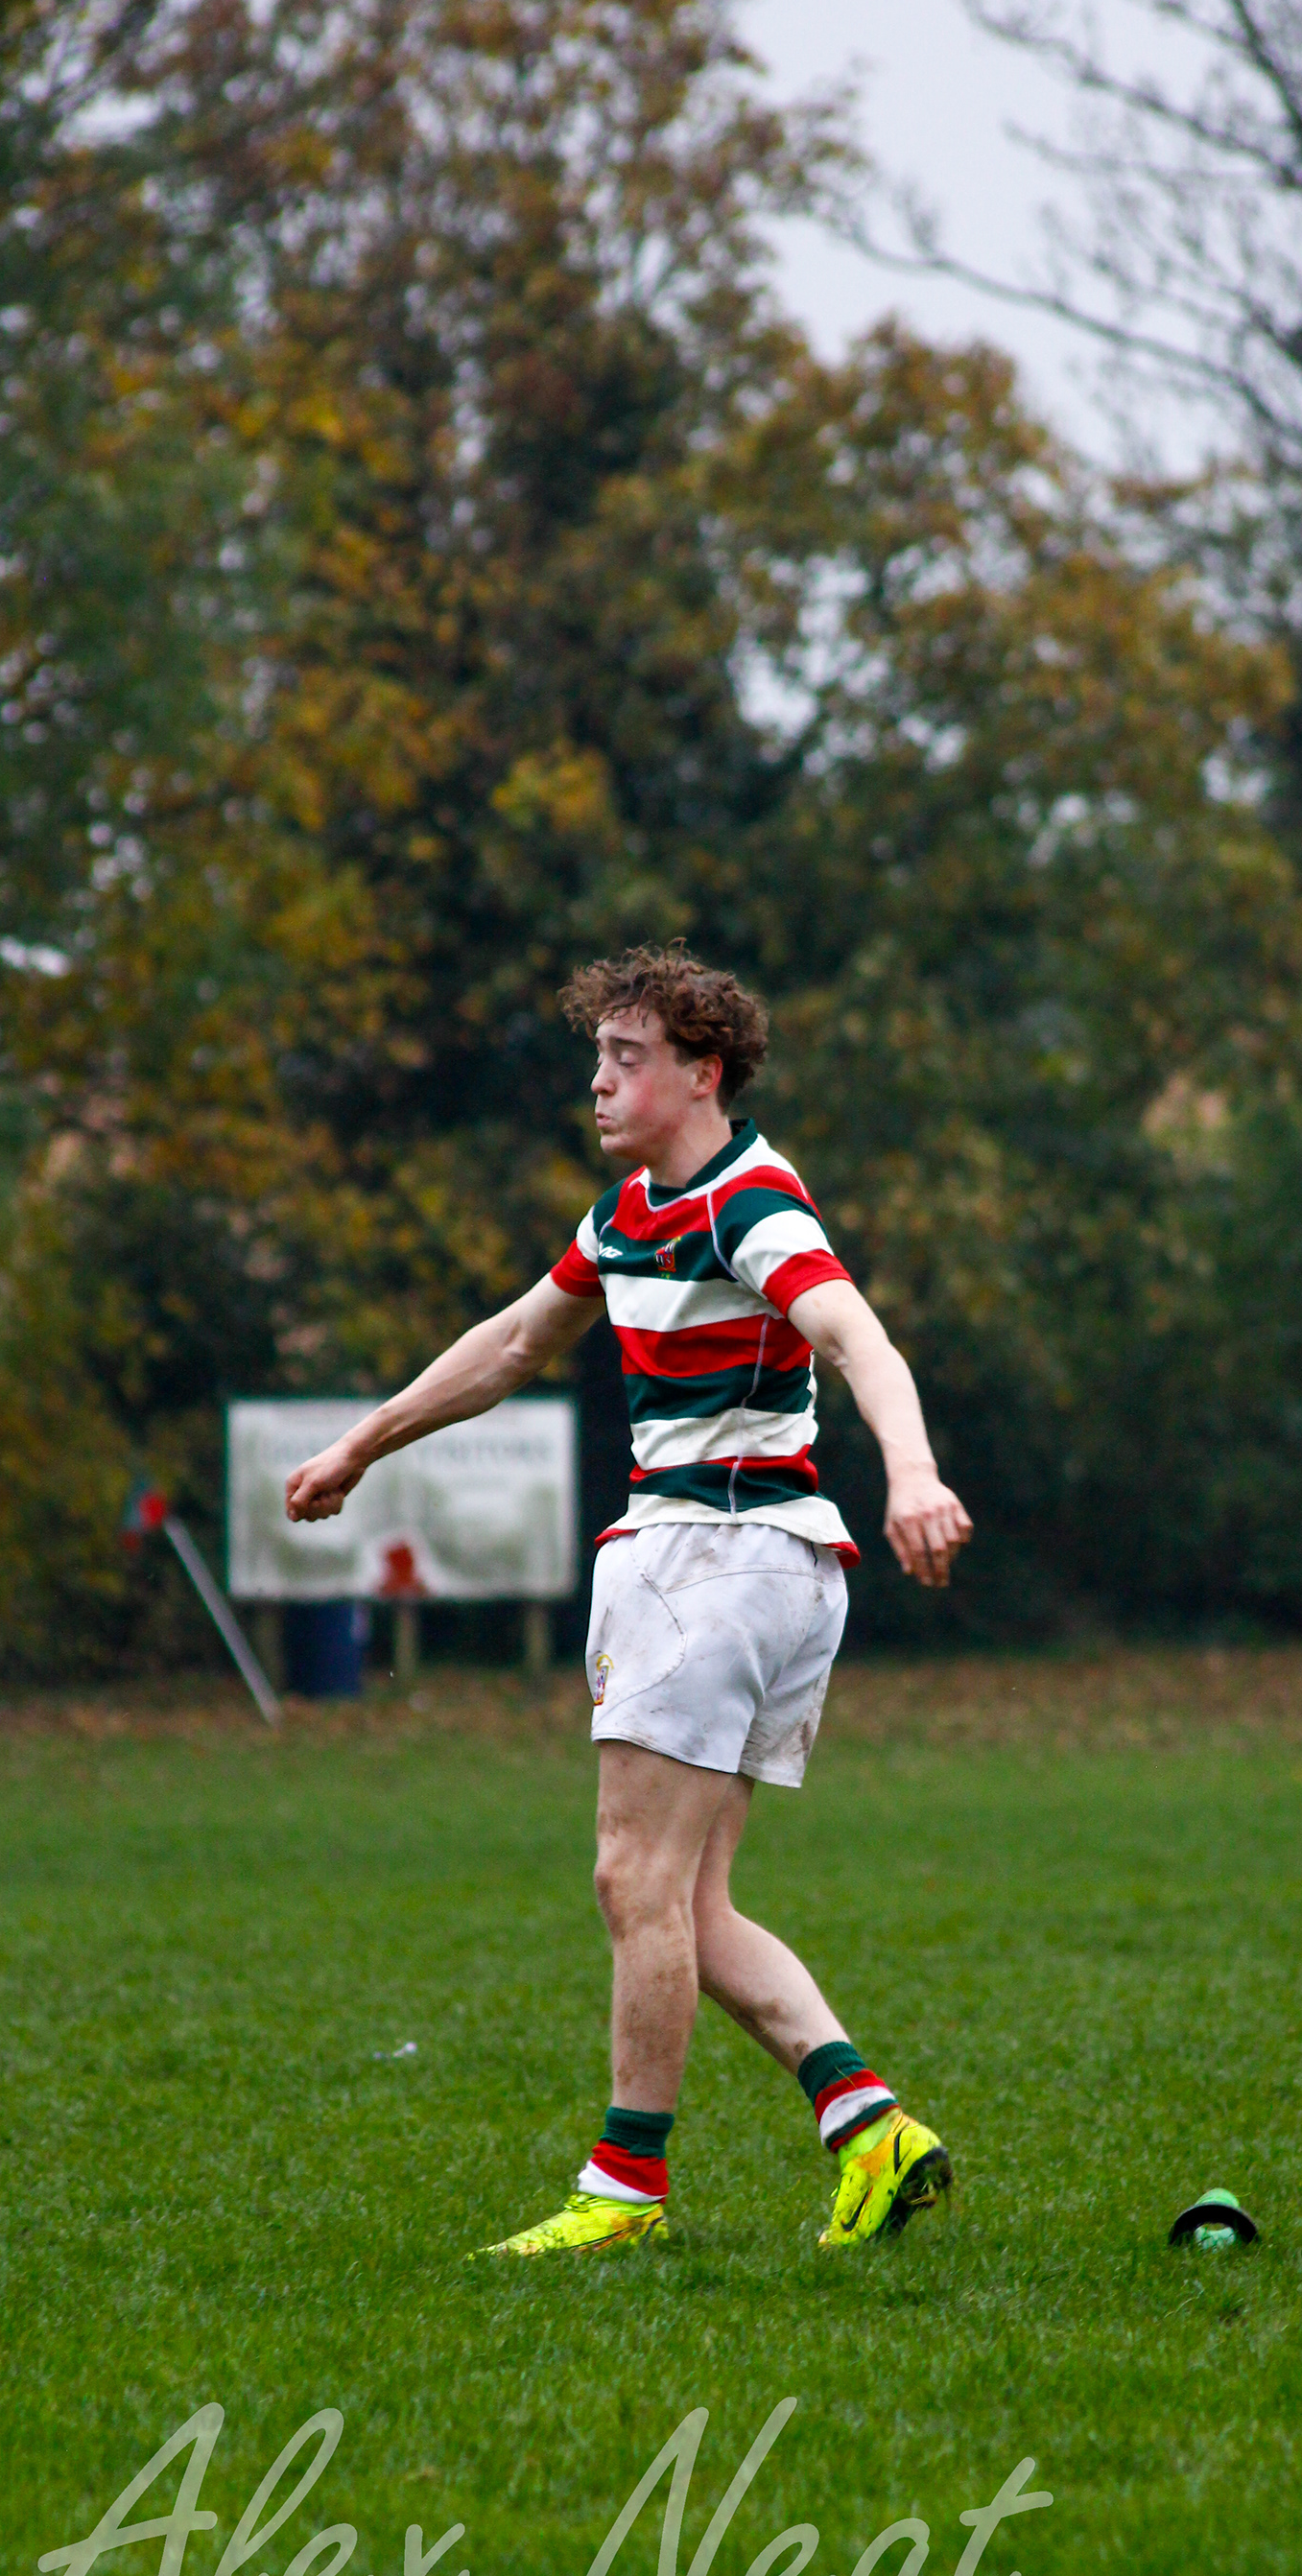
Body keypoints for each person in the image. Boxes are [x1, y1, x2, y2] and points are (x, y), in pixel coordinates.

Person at [285, 945, 974, 2256]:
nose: (598, 1083)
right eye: (596, 1056)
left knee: (630, 1878)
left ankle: (623, 2193)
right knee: (688, 1906)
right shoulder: (627, 1216)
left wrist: (917, 1469)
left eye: (627, 1057)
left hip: (712, 1559)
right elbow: (513, 1343)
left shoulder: (747, 1204)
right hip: (766, 1567)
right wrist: (362, 1445)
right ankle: (872, 2129)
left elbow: (853, 1334)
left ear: (703, 1073)